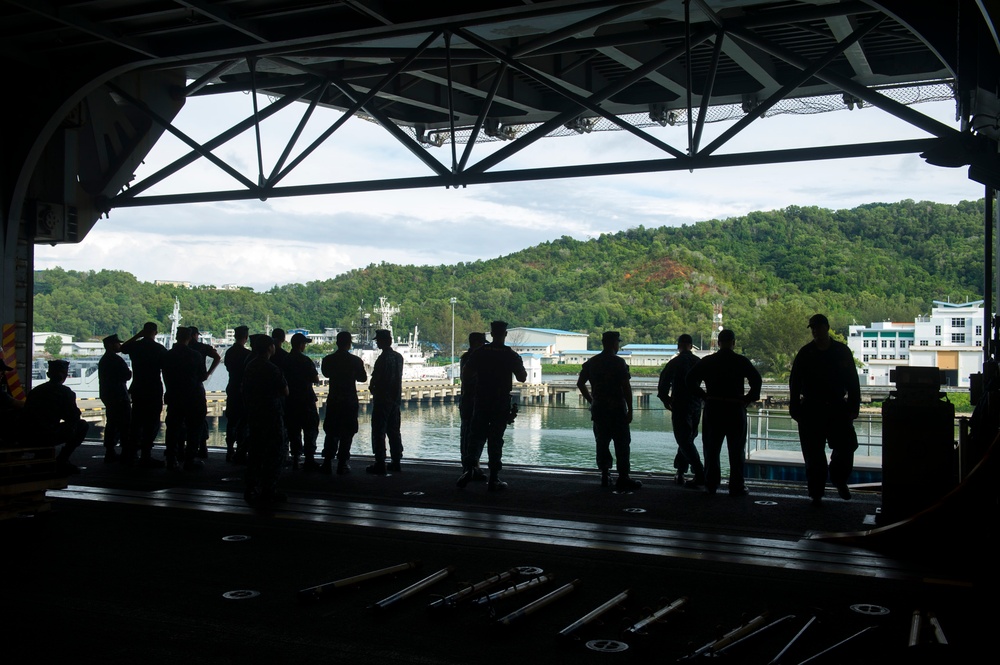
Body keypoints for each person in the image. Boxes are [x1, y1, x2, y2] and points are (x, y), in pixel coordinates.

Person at [789, 314, 862, 505]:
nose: (815, 331)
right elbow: (794, 382)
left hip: (837, 406)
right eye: (812, 328)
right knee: (813, 455)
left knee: (846, 448)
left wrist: (854, 407)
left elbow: (853, 382)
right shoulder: (805, 353)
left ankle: (839, 479)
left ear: (827, 328)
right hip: (811, 408)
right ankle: (816, 492)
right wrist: (795, 407)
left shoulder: (842, 351)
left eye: (818, 327)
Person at [686, 329, 761, 496]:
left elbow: (689, 380)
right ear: (733, 342)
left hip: (713, 407)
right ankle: (737, 486)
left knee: (711, 449)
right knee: (736, 450)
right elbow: (756, 380)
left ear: (718, 343)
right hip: (735, 408)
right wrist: (748, 398)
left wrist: (703, 395)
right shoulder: (740, 361)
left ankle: (711, 484)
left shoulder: (708, 361)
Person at [461, 321, 527, 491]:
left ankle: (470, 469)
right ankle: (494, 478)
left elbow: (466, 375)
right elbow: (522, 377)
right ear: (505, 334)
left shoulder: (479, 353)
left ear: (491, 334)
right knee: (496, 439)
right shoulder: (510, 355)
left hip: (481, 400)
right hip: (500, 402)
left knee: (476, 437)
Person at [577, 331, 640, 491]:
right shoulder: (619, 363)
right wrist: (631, 409)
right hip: (617, 408)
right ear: (614, 344)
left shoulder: (592, 362)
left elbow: (580, 383)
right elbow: (626, 387)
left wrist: (592, 401)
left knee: (602, 442)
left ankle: (605, 474)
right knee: (622, 443)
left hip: (599, 409)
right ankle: (623, 477)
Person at [243, 334, 289, 505]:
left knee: (255, 452)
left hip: (255, 414)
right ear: (270, 348)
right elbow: (285, 391)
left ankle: (251, 487)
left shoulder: (250, 366)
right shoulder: (271, 368)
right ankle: (268, 490)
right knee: (274, 453)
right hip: (271, 415)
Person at [23, 360, 89, 474]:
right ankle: (62, 460)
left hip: (28, 435)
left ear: (48, 375)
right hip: (48, 435)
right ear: (65, 375)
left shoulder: (36, 390)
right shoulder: (65, 392)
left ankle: (40, 457)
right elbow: (73, 417)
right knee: (82, 426)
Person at [658, 334, 706, 488]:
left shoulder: (674, 363)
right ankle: (681, 471)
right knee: (687, 438)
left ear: (678, 346)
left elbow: (663, 383)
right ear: (691, 346)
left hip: (679, 405)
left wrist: (666, 399)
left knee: (683, 439)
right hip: (696, 405)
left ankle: (699, 472)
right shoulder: (698, 362)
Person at [160, 327, 208, 471]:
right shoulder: (195, 355)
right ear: (189, 338)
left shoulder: (168, 355)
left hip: (174, 396)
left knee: (173, 428)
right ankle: (190, 459)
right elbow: (202, 376)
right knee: (194, 428)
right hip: (193, 397)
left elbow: (165, 375)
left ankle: (171, 458)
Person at [320, 331, 367, 474]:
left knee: (331, 431)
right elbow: (363, 378)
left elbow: (326, 374)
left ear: (336, 342)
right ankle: (342, 463)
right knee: (347, 432)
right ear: (349, 343)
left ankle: (327, 462)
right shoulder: (355, 361)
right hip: (349, 400)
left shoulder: (328, 359)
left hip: (334, 399)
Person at [121, 322, 167, 468]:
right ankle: (146, 455)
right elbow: (166, 367)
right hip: (153, 387)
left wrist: (138, 336)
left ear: (143, 331)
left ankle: (131, 453)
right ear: (156, 332)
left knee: (136, 422)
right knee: (152, 422)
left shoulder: (136, 346)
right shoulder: (159, 349)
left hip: (138, 387)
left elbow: (122, 348)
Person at [367, 329, 404, 475]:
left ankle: (380, 461)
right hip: (395, 400)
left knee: (379, 430)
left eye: (378, 340)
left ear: (383, 341)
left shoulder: (382, 359)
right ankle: (396, 461)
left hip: (382, 399)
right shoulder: (398, 357)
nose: (377, 343)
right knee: (394, 431)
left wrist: (373, 388)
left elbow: (376, 378)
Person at [285, 332, 320, 470]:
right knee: (310, 429)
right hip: (306, 400)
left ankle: (295, 458)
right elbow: (316, 379)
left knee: (293, 430)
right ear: (300, 345)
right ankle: (309, 459)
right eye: (304, 344)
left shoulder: (285, 360)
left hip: (290, 401)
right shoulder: (305, 360)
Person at [458, 332, 487, 482]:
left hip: (473, 402)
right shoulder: (470, 359)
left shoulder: (469, 359)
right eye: (482, 343)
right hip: (471, 402)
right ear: (476, 343)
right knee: (469, 436)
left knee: (475, 436)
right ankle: (469, 467)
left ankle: (473, 466)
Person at [188, 325, 221, 459]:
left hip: (180, 388)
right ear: (195, 335)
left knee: (180, 420)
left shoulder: (176, 349)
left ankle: (179, 450)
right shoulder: (201, 348)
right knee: (200, 418)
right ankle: (202, 447)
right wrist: (208, 373)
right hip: (197, 386)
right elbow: (217, 357)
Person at [98, 334, 131, 464]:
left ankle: (110, 451)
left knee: (112, 423)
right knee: (125, 424)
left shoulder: (104, 360)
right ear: (112, 345)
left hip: (109, 395)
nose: (119, 346)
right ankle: (125, 451)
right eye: (117, 344)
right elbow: (127, 375)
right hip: (120, 395)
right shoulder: (116, 360)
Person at [223, 325, 251, 463]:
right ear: (246, 338)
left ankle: (229, 450)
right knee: (243, 423)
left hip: (232, 387)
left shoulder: (229, 353)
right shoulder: (247, 355)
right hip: (243, 390)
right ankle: (240, 451)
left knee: (231, 421)